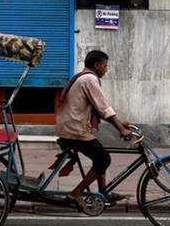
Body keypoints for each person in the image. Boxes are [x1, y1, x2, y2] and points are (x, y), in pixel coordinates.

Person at [55, 50, 132, 207]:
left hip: (72, 127)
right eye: (105, 66)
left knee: (99, 157)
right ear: (96, 65)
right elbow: (103, 107)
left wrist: (119, 123)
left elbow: (100, 108)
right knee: (104, 159)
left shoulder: (83, 76)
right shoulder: (89, 79)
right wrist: (121, 129)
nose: (106, 69)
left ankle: (102, 194)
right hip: (74, 130)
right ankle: (74, 194)